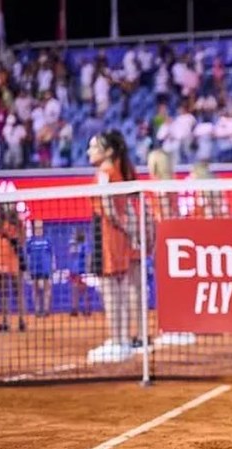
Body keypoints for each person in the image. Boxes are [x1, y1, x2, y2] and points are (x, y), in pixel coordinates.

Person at [86, 129, 136, 361]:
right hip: (117, 235)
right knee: (120, 287)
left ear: (108, 152)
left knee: (111, 290)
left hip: (107, 233)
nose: (89, 151)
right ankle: (122, 339)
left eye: (94, 147)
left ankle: (117, 341)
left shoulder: (105, 172)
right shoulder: (117, 170)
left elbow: (108, 206)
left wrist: (122, 226)